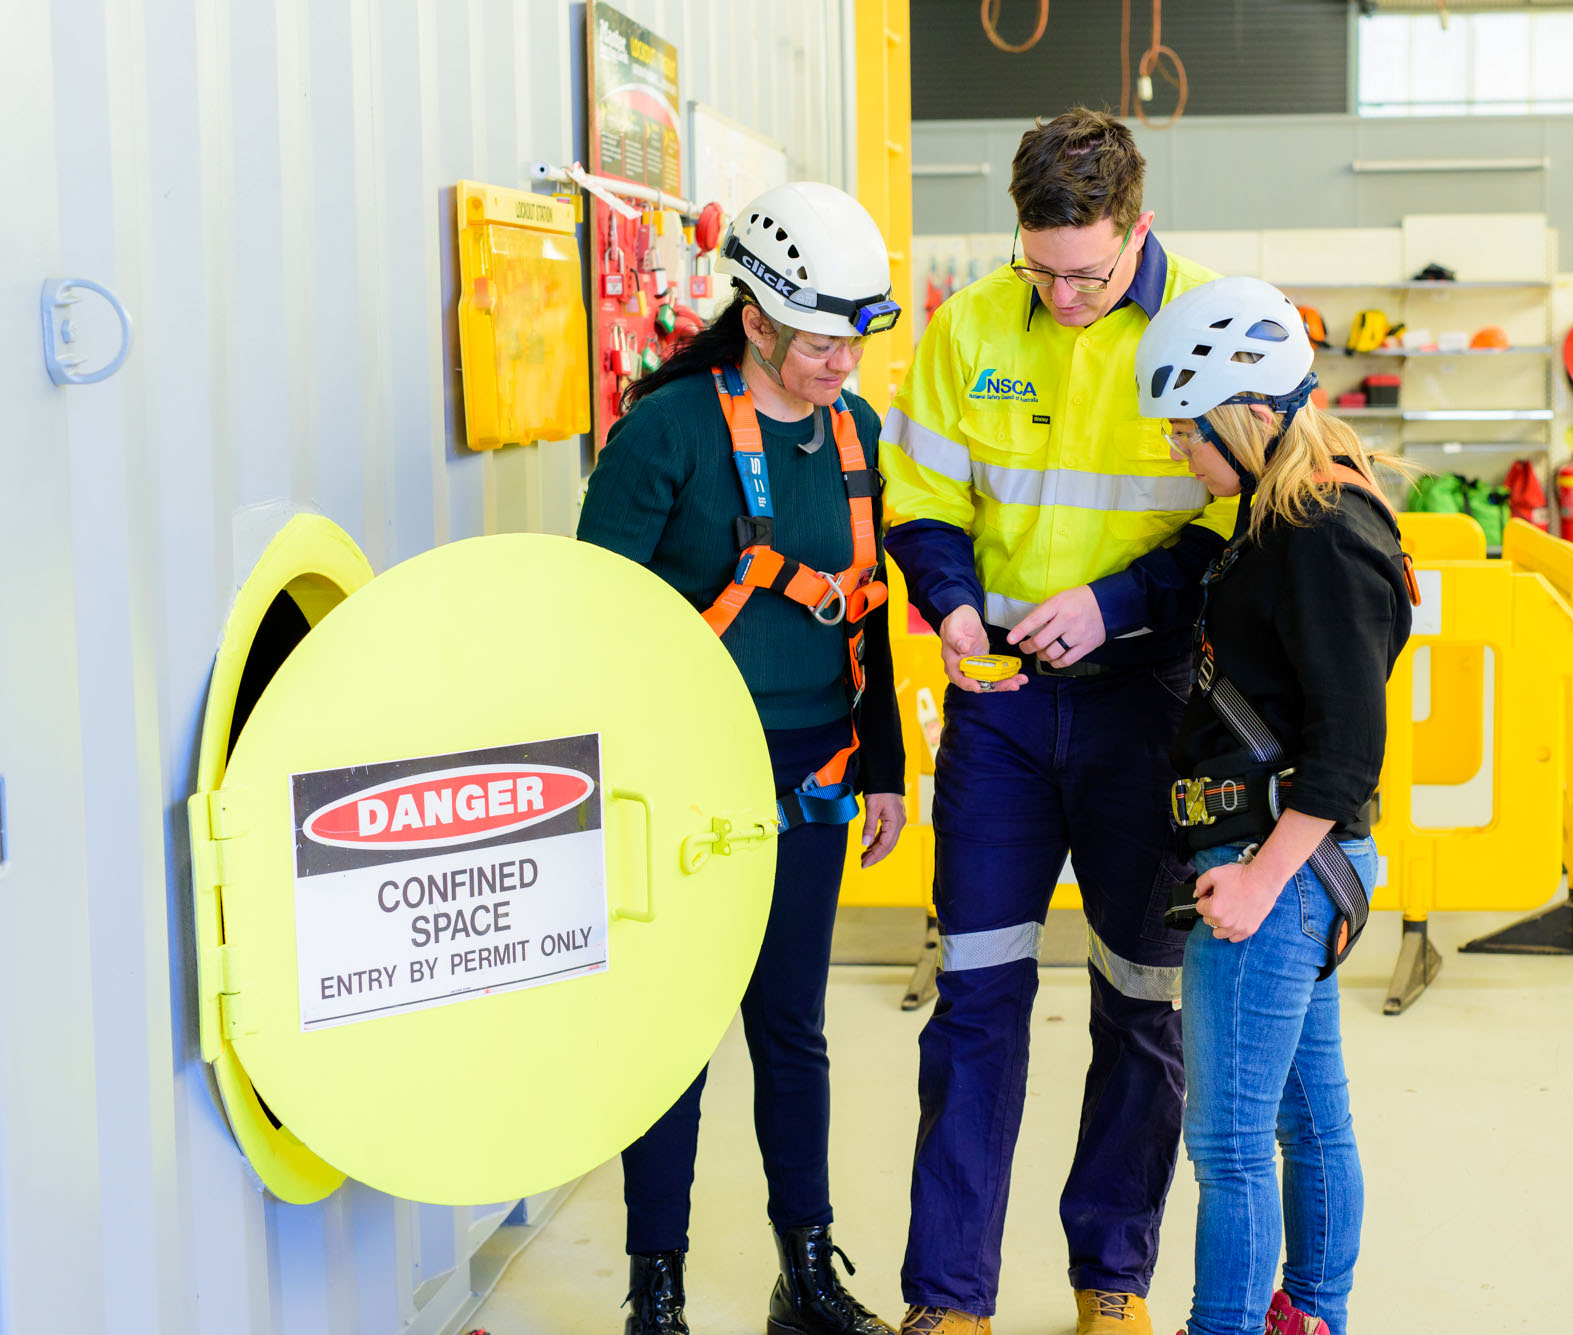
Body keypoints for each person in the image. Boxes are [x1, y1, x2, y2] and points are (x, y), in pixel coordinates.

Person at [878, 108, 1231, 1335]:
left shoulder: (1207, 333)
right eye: (1041, 269)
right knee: (976, 1000)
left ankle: (1109, 1283)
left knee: (1138, 1003)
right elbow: (918, 494)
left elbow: (1239, 524)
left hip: (1148, 712)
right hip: (1001, 717)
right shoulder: (970, 324)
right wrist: (954, 609)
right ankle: (950, 1302)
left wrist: (1120, 604)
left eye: (1085, 272)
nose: (1063, 296)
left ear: (1136, 226)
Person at [577, 180, 909, 1335]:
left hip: (813, 775)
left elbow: (863, 611)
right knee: (672, 1033)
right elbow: (596, 616)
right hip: (683, 780)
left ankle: (804, 1275)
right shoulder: (664, 431)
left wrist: (882, 763)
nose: (841, 363)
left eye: (857, 338)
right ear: (756, 319)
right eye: (820, 340)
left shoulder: (855, 435)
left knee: (791, 1029)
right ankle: (653, 1288)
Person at [1132, 276, 1415, 1335]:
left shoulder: (1318, 532)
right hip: (1287, 868)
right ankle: (1312, 1317)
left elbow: (1348, 744)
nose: (1177, 453)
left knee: (1230, 1141)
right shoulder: (1281, 514)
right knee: (1303, 1116)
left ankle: (1234, 1324)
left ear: (1244, 414)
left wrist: (1257, 878)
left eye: (1185, 431)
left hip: (1280, 868)